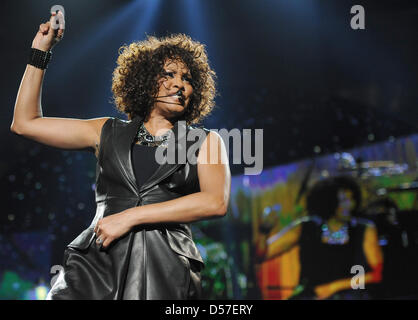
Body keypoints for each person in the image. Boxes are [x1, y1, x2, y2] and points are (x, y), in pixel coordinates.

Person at [10, 11, 231, 300]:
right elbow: (25, 123)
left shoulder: (205, 142)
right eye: (169, 74)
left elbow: (215, 201)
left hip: (162, 268)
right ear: (145, 80)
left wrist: (131, 217)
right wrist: (40, 52)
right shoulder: (106, 131)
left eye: (187, 79)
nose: (180, 84)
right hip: (96, 263)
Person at [255, 176, 383, 299]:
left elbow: (376, 275)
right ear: (329, 202)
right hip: (311, 296)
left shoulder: (363, 229)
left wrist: (333, 287)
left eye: (352, 199)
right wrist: (264, 231)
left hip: (351, 295)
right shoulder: (306, 228)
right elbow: (261, 255)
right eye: (343, 200)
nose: (349, 205)